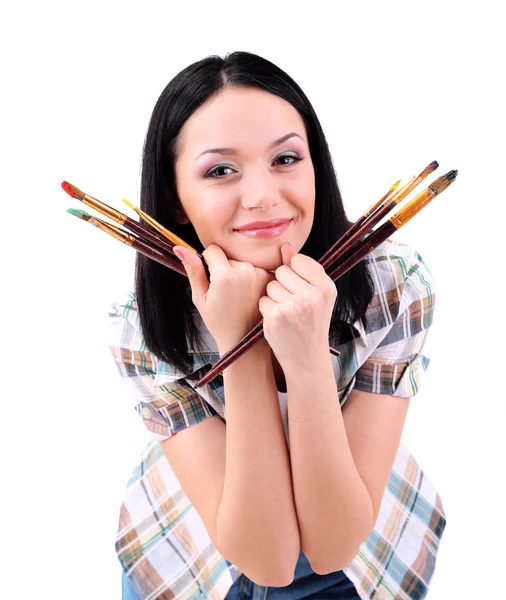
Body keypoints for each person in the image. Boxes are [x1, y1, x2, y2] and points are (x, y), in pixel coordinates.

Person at [109, 51, 446, 600]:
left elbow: (334, 546)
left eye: (286, 158)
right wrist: (242, 350)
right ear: (174, 200)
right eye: (220, 170)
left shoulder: (393, 284)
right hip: (193, 561)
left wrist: (309, 356)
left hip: (366, 563)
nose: (264, 195)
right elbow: (266, 560)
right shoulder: (141, 327)